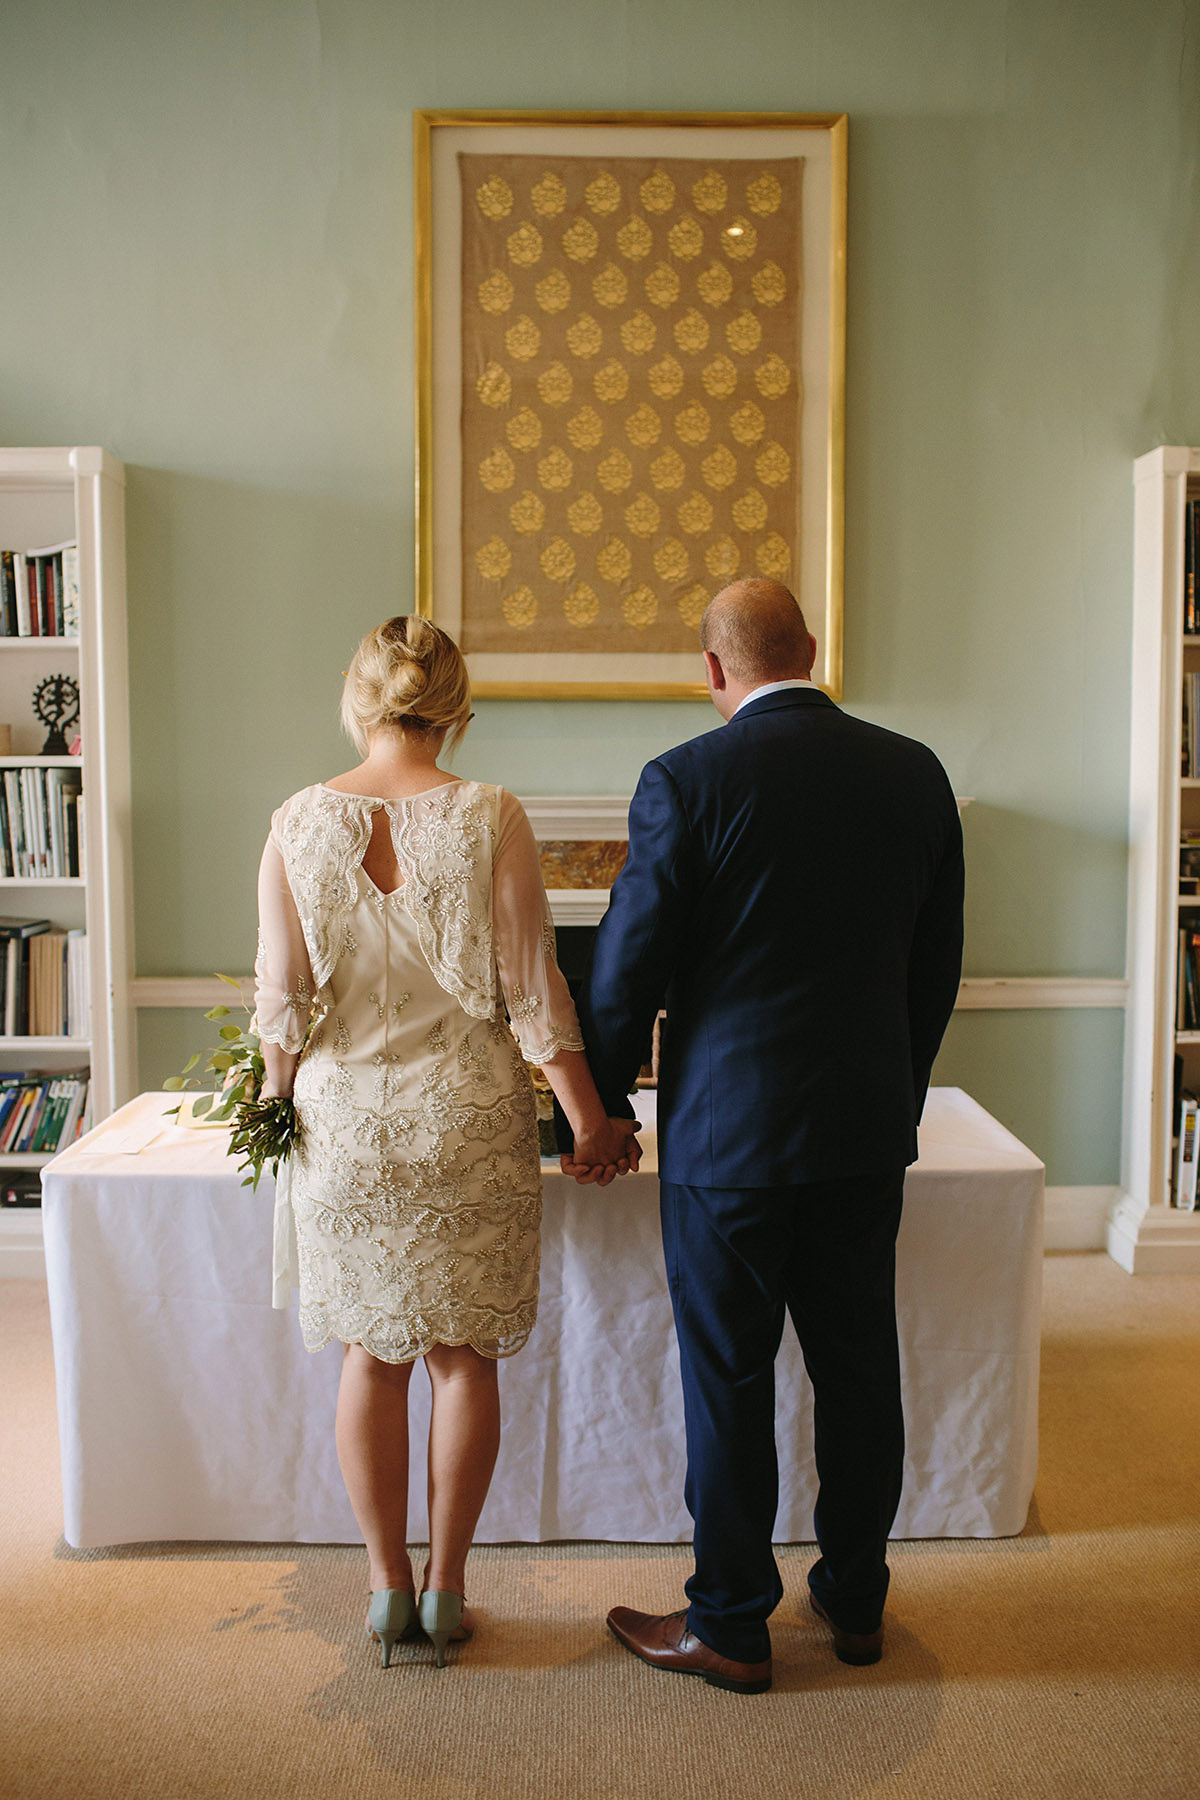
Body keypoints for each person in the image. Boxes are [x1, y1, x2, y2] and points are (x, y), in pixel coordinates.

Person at [561, 578, 964, 1695]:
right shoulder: (914, 772)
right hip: (863, 1128)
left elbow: (625, 969)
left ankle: (732, 1622)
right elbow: (934, 970)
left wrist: (598, 1109)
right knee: (857, 1366)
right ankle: (856, 1595)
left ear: (713, 671)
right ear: (814, 650)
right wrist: (900, 1091)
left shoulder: (686, 778)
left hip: (729, 1147)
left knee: (730, 1377)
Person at [254, 614, 637, 1670]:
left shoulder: (295, 820)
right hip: (465, 1116)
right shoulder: (489, 814)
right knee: (463, 1362)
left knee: (371, 1362)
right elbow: (533, 996)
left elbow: (281, 1006)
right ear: (456, 708)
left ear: (358, 698)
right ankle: (448, 1587)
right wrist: (592, 1118)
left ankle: (384, 1587)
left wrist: (272, 1110)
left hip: (343, 1125)